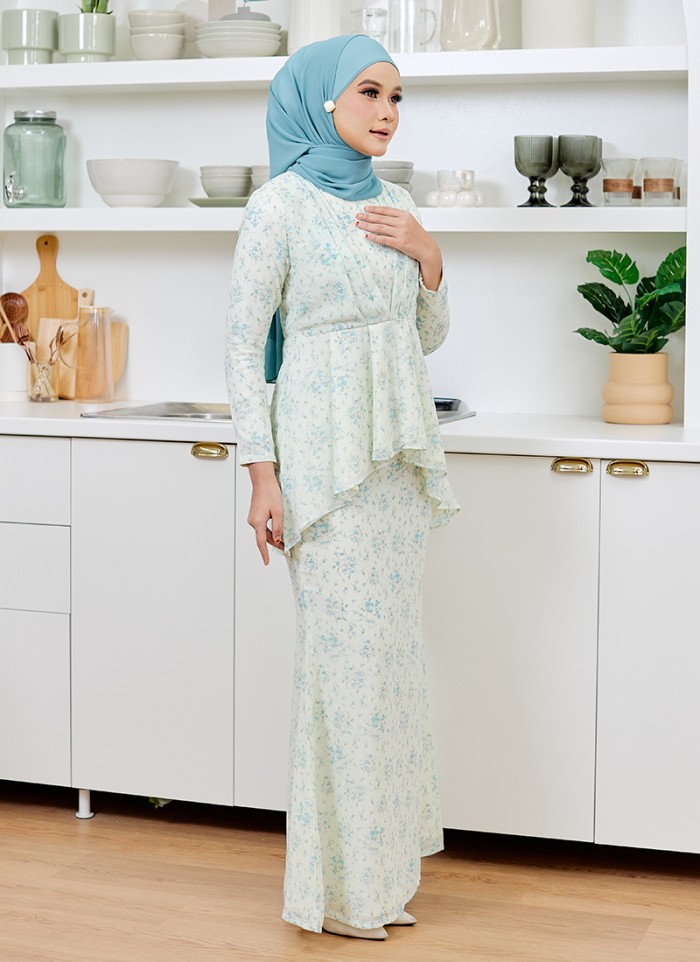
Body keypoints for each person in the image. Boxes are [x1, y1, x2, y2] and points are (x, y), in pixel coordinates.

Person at [225, 33, 459, 941]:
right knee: (343, 669)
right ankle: (341, 892)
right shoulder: (277, 206)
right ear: (321, 102)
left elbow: (424, 334)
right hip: (322, 461)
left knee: (390, 668)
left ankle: (383, 883)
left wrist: (430, 256)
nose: (388, 112)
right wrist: (261, 474)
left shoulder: (397, 204)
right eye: (370, 93)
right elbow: (243, 347)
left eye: (397, 97)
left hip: (395, 455)